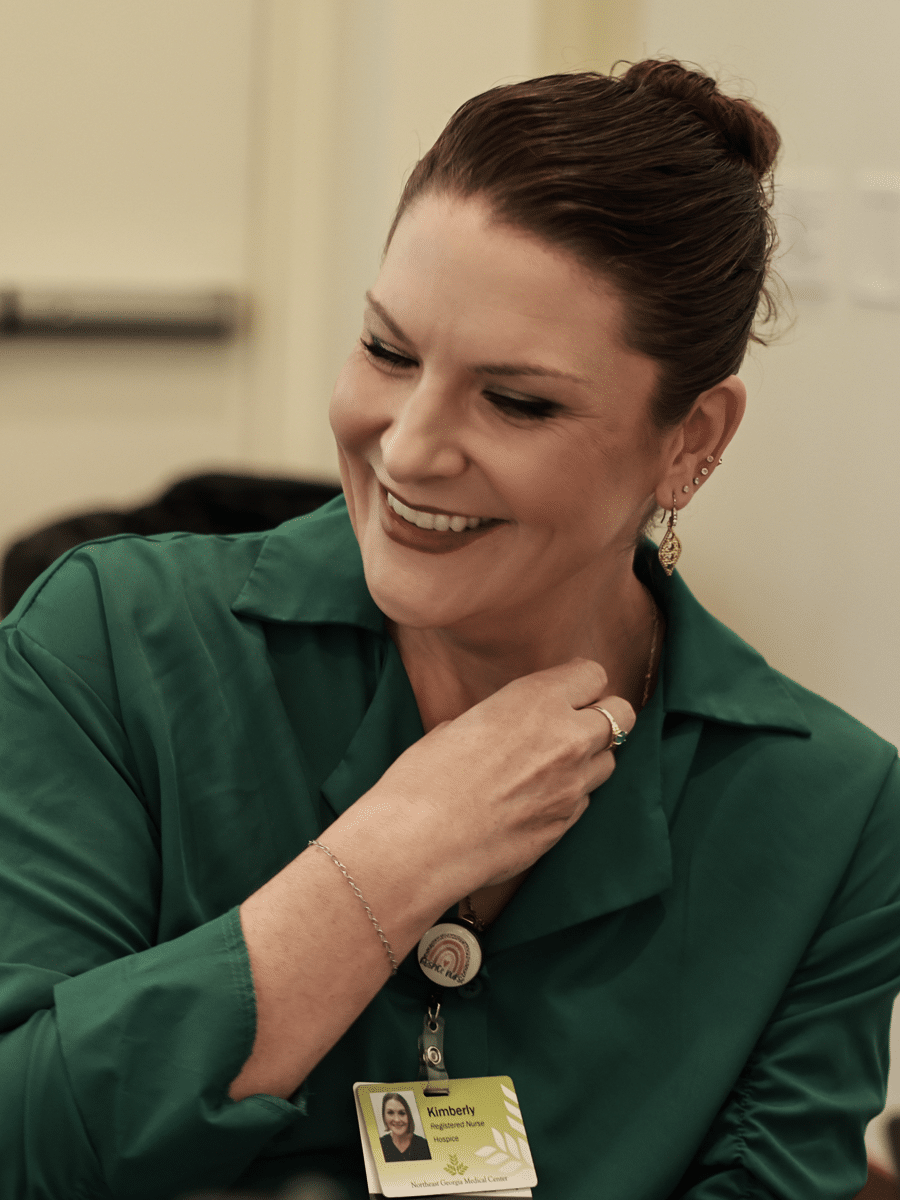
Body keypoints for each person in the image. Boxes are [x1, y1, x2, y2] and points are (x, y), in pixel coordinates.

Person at [0, 59, 898, 1200]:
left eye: (517, 401)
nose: (410, 448)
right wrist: (390, 858)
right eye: (388, 350)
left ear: (692, 442)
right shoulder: (106, 644)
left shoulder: (829, 811)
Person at [378, 1092, 432, 1163]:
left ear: (409, 1116)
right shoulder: (379, 1145)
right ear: (384, 1116)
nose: (397, 1119)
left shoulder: (425, 1146)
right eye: (390, 1113)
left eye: (402, 1113)